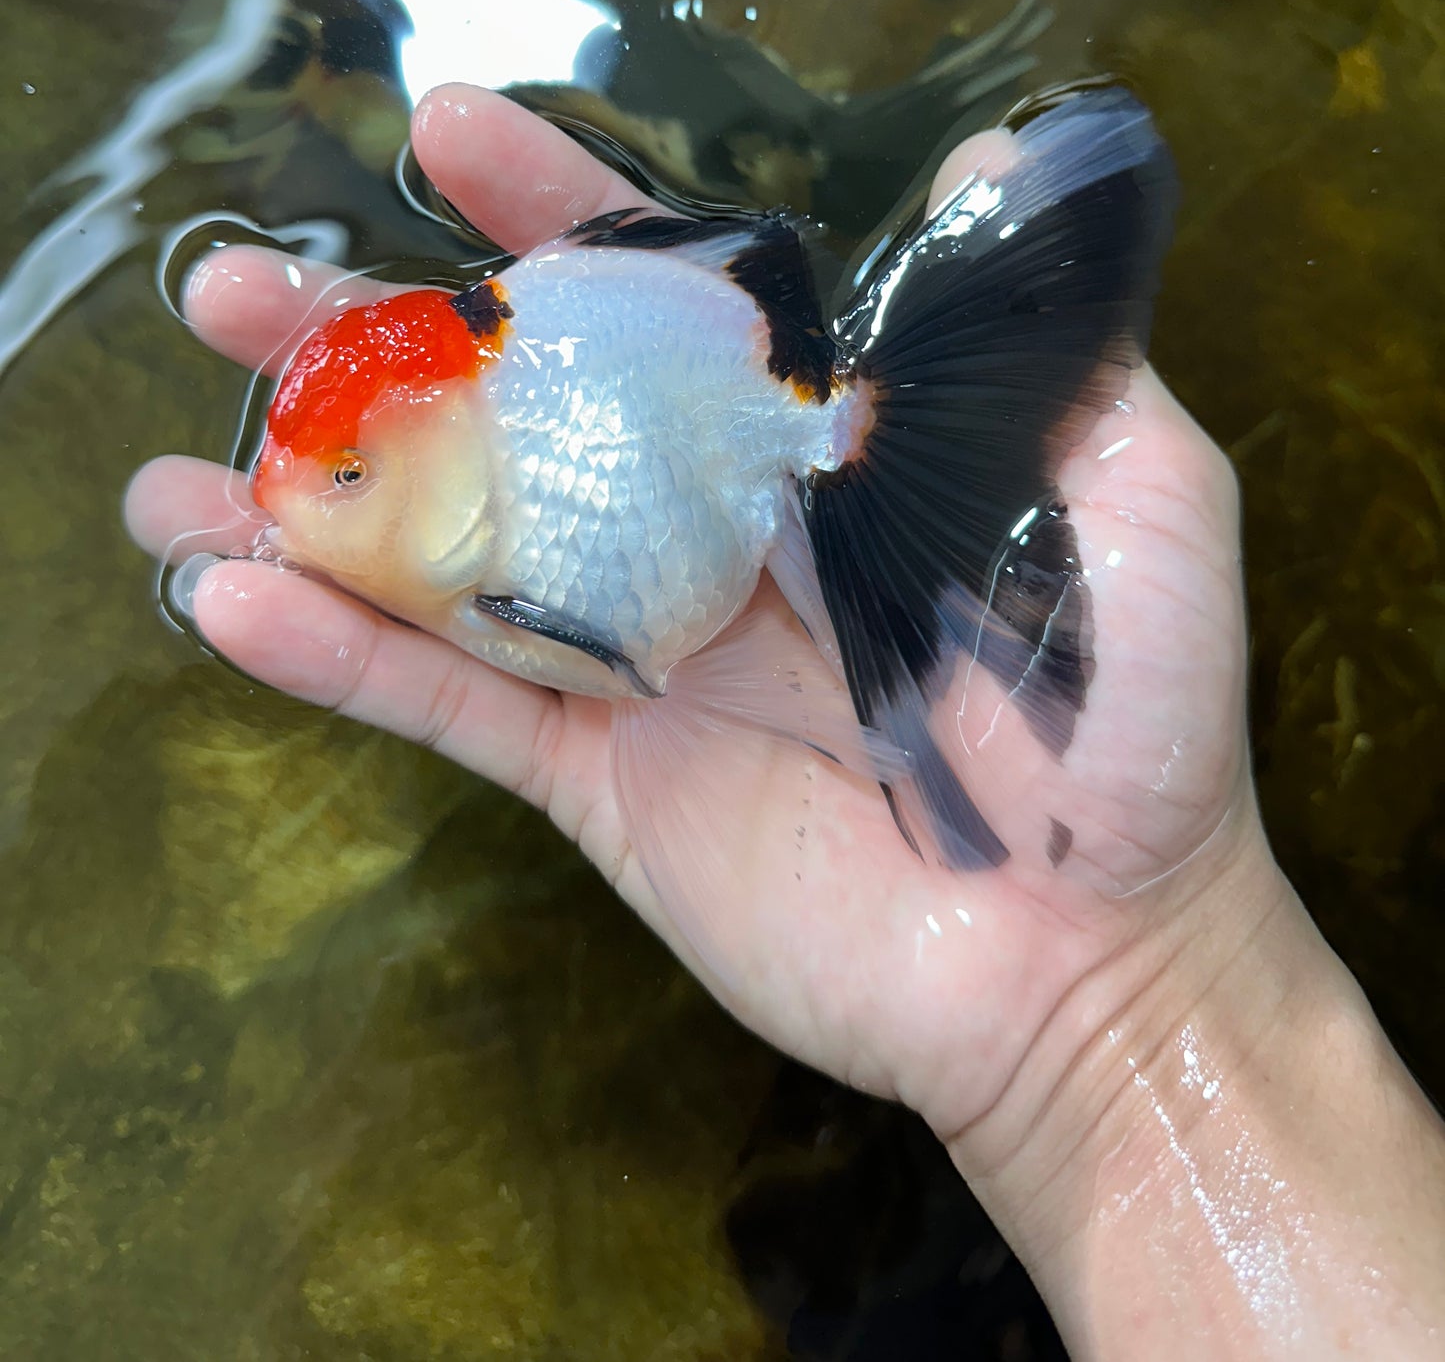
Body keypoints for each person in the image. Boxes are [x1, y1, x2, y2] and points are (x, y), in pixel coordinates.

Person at [126, 83, 1445, 1357]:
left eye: (347, 477)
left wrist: (1126, 979)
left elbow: (636, 656)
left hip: (755, 425)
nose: (310, 507)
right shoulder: (495, 450)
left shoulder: (543, 491)